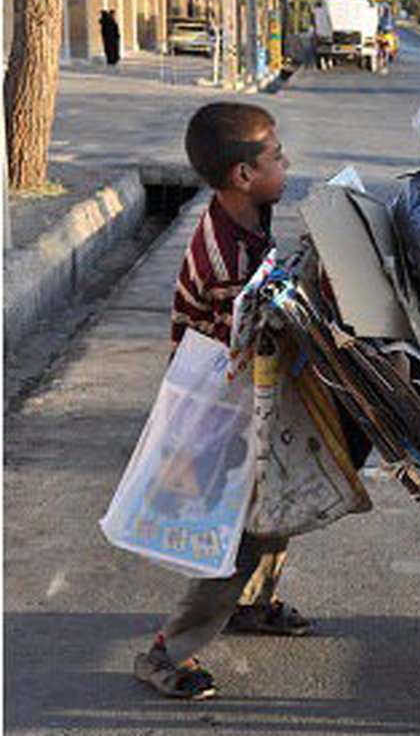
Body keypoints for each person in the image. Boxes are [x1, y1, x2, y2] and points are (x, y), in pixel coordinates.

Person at [134, 102, 305, 700]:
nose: (286, 163)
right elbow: (255, 334)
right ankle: (166, 652)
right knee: (236, 532)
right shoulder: (226, 258)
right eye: (276, 157)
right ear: (243, 175)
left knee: (279, 497)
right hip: (217, 407)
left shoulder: (249, 216)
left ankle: (254, 603)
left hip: (238, 394)